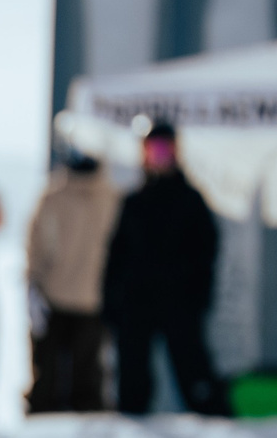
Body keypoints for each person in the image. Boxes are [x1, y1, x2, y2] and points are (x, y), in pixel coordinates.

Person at [101, 119, 226, 416]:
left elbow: (207, 252)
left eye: (164, 150)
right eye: (152, 150)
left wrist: (198, 295)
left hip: (179, 302)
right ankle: (131, 431)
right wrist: (111, 304)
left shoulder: (190, 201)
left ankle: (216, 420)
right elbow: (115, 257)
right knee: (133, 381)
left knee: (194, 373)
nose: (159, 157)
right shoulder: (134, 202)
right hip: (137, 303)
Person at [25, 150, 120, 412]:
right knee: (51, 381)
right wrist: (32, 288)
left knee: (85, 383)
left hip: (91, 302)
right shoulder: (55, 197)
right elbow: (36, 247)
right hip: (57, 301)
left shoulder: (110, 198)